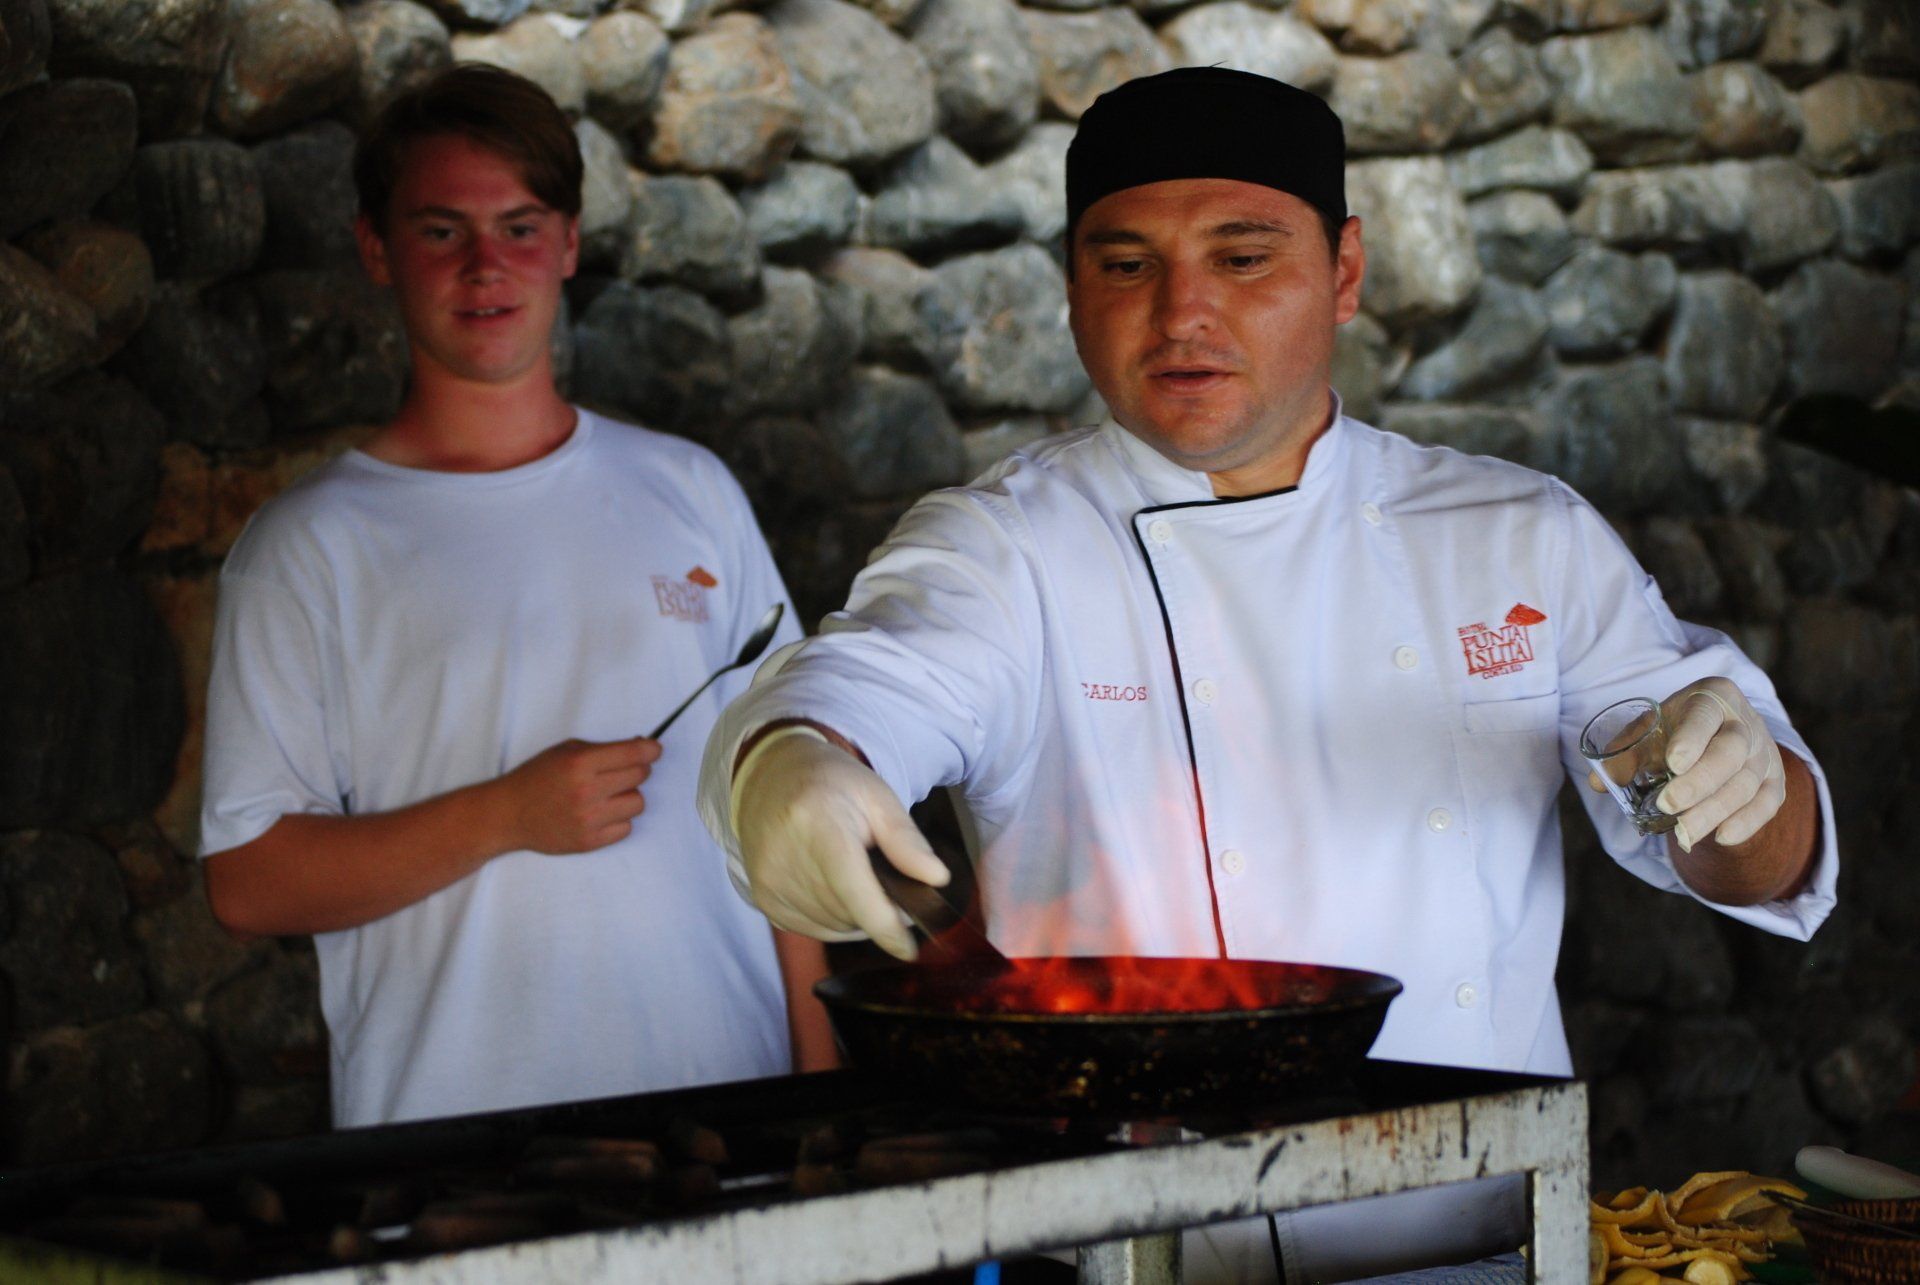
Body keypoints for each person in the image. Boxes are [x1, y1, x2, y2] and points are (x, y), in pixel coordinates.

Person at [697, 68, 1836, 1282]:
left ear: (1345, 272)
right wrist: (788, 765)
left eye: (1243, 258)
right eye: (1126, 264)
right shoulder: (1006, 547)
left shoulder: (1518, 534)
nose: (1182, 312)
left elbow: (1753, 854)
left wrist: (1739, 787)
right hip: (1138, 1257)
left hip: (1487, 1249)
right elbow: (856, 688)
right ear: (1072, 287)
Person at [199, 64, 836, 1130]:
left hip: (734, 1113)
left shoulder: (689, 491)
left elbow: (783, 787)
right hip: (459, 1145)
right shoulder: (305, 548)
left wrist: (821, 1074)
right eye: (442, 230)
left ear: (571, 243)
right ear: (376, 250)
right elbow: (250, 880)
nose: (487, 265)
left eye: (521, 225)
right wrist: (505, 814)